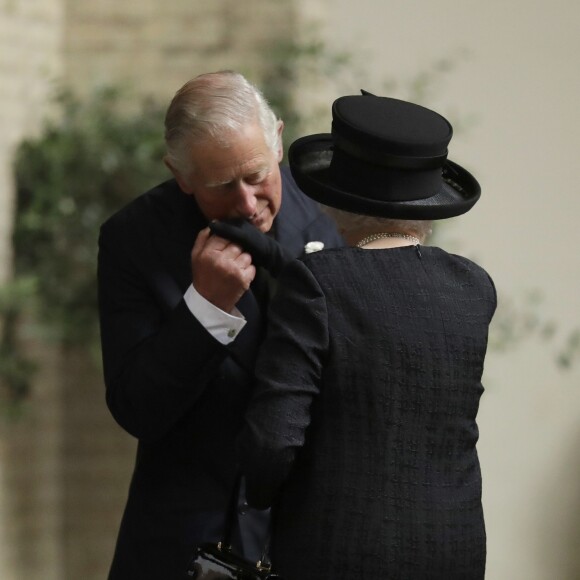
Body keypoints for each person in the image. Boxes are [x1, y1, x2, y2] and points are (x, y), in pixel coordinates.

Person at [216, 92, 497, 579]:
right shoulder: (474, 287)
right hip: (455, 552)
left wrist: (258, 495)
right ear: (429, 204)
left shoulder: (317, 283)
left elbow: (274, 441)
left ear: (332, 198)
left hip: (337, 554)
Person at [96, 70, 344, 579]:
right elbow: (136, 409)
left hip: (310, 542)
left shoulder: (338, 214)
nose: (248, 204)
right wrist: (206, 307)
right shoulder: (134, 238)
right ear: (181, 176)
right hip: (185, 545)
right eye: (221, 185)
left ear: (277, 140)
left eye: (256, 176)